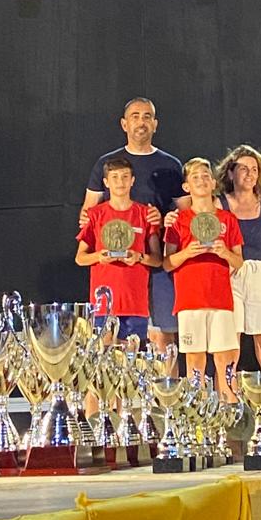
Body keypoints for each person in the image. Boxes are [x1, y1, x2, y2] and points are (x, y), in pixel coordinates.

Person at [81, 97, 183, 351]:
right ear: (124, 124)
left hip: (158, 261)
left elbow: (187, 214)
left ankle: (162, 379)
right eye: (135, 116)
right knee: (111, 339)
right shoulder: (106, 164)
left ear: (155, 124)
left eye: (147, 116)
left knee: (163, 336)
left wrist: (164, 220)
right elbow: (88, 211)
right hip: (117, 271)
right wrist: (90, 224)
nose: (141, 122)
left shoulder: (171, 165)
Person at [164, 157, 244, 392]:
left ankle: (230, 409)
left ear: (213, 183)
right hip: (190, 301)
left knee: (225, 360)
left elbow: (239, 261)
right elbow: (167, 263)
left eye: (205, 176)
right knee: (194, 361)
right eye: (195, 177)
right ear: (186, 186)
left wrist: (224, 252)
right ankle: (197, 410)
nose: (201, 180)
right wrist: (187, 253)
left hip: (220, 300)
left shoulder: (227, 219)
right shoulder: (178, 220)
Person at [215, 145, 261, 376]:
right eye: (243, 168)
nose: (249, 174)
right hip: (230, 275)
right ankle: (228, 398)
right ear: (230, 173)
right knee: (229, 354)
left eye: (254, 169)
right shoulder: (219, 204)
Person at [75, 155, 162, 345]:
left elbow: (157, 259)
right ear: (106, 182)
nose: (120, 182)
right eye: (114, 177)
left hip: (135, 302)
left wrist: (139, 257)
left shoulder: (145, 214)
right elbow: (80, 258)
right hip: (103, 304)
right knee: (105, 355)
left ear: (132, 180)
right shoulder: (95, 214)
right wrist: (99, 256)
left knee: (131, 356)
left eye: (124, 177)